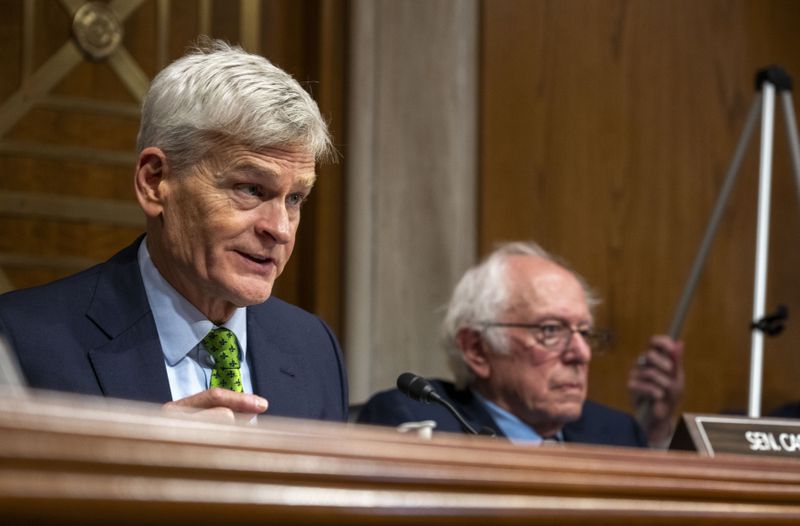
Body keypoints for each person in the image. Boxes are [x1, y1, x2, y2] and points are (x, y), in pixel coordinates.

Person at [0, 39, 348, 423]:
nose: (280, 229)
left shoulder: (314, 348)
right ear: (155, 181)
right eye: (251, 189)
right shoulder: (21, 341)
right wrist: (146, 462)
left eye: (295, 198)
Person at [357, 242, 683, 448]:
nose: (581, 354)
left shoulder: (616, 434)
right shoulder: (421, 420)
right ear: (477, 349)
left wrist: (656, 431)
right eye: (551, 330)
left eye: (584, 332)